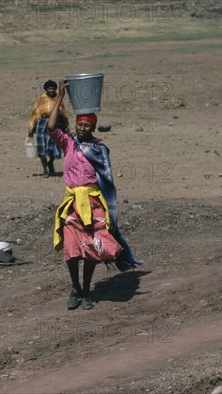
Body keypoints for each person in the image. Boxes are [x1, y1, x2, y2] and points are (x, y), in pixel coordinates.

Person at [46, 79, 141, 311]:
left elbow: (105, 178)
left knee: (90, 251)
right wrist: (60, 97)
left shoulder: (99, 149)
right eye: (80, 125)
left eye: (87, 126)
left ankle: (87, 291)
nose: (82, 129)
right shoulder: (68, 143)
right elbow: (50, 127)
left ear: (93, 128)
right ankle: (75, 289)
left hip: (93, 204)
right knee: (71, 251)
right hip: (72, 205)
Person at [27, 80, 70, 178]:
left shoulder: (58, 98)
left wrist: (66, 126)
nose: (51, 90)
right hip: (42, 124)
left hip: (56, 125)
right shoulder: (41, 99)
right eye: (49, 88)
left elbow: (63, 113)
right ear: (46, 89)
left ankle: (51, 162)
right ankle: (45, 170)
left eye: (53, 88)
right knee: (42, 147)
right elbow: (35, 113)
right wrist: (31, 128)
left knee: (53, 148)